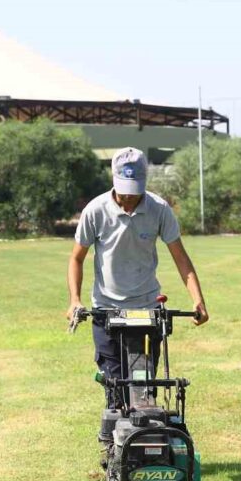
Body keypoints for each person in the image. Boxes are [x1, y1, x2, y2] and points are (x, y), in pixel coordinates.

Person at [66, 147, 209, 397]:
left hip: (146, 309)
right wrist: (75, 301)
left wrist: (198, 301)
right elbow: (76, 259)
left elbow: (181, 258)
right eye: (125, 190)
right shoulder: (95, 210)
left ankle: (145, 431)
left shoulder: (159, 209)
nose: (130, 198)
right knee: (115, 387)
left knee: (143, 386)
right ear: (114, 179)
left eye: (135, 190)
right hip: (106, 309)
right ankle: (113, 435)